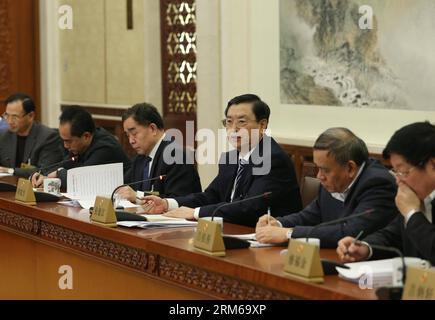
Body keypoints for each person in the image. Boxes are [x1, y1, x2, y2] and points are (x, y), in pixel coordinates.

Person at [140, 94, 302, 227]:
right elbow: (211, 195)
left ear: (262, 125)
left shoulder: (272, 158)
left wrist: (195, 213)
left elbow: (249, 208)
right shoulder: (230, 158)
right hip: (232, 229)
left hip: (267, 238)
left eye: (241, 122)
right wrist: (168, 204)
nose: (234, 129)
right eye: (229, 122)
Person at [255, 128, 398, 248]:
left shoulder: (378, 184)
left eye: (325, 170)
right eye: (318, 168)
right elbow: (311, 215)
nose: (319, 176)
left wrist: (288, 234)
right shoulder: (334, 179)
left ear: (350, 168)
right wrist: (278, 223)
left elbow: (351, 232)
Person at [337, 122, 435, 265]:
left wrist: (412, 213)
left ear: (432, 165)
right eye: (396, 172)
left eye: (403, 172)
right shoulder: (417, 197)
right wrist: (365, 247)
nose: (398, 181)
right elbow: (393, 236)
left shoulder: (411, 203)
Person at [114, 102, 201, 201]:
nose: (131, 141)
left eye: (134, 133)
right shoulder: (140, 159)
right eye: (127, 135)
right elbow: (124, 187)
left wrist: (138, 196)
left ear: (152, 129)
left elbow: (176, 200)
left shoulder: (176, 156)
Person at [32, 105, 130, 188]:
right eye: (63, 140)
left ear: (86, 136)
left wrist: (58, 174)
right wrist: (42, 176)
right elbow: (65, 165)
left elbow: (82, 179)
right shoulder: (78, 147)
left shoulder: (105, 147)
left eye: (68, 141)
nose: (65, 146)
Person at [0, 93, 63, 177]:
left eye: (15, 117)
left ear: (30, 116)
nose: (10, 121)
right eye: (7, 115)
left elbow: (45, 170)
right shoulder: (3, 135)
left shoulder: (48, 137)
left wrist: (11, 171)